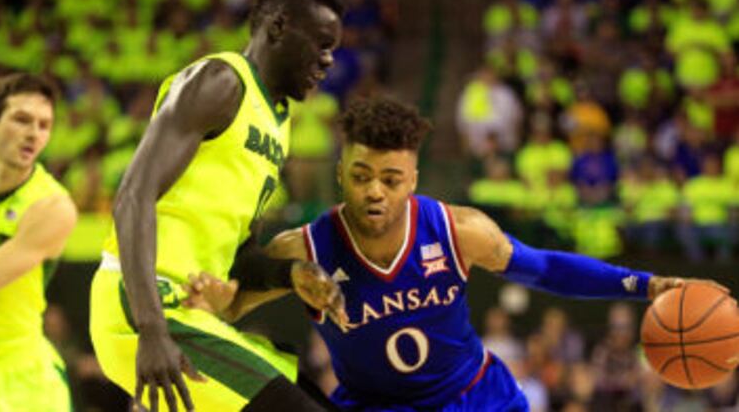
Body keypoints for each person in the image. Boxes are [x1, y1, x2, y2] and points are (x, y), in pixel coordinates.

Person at [187, 96, 726, 411]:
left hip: (475, 397)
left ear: (413, 180)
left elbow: (545, 268)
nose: (375, 191)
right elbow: (228, 315)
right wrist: (212, 301)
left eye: (391, 179)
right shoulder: (302, 250)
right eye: (361, 176)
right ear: (340, 175)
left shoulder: (457, 229)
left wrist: (643, 284)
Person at [89, 0, 348, 412]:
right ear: (279, 27)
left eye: (333, 50)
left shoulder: (278, 127)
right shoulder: (220, 80)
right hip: (142, 307)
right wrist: (151, 331)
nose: (327, 61)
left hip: (190, 314)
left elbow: (238, 258)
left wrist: (292, 274)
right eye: (321, 44)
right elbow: (133, 195)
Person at [0, 73, 77, 410]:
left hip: (15, 378)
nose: (34, 134)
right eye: (22, 120)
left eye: (44, 125)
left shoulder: (52, 206)